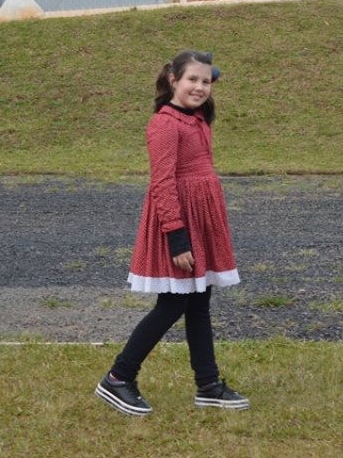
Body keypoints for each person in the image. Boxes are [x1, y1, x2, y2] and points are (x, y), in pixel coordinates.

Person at [95, 50, 249, 417]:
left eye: (206, 82)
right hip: (179, 224)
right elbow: (162, 184)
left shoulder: (198, 119)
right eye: (191, 80)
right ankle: (118, 377)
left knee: (199, 303)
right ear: (172, 80)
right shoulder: (164, 125)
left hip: (201, 221)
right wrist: (177, 238)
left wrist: (206, 70)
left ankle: (208, 384)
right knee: (173, 304)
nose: (200, 87)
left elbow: (204, 84)